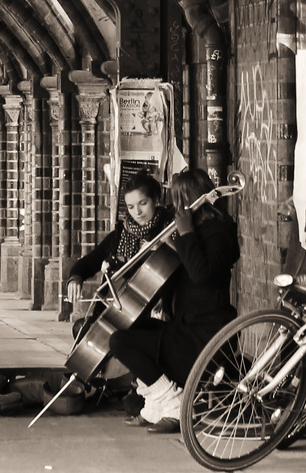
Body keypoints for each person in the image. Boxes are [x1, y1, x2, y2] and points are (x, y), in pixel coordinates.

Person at [106, 168, 240, 433]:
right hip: (184, 329)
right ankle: (158, 404)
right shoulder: (197, 233)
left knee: (120, 343)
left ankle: (174, 403)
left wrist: (185, 235)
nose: (176, 208)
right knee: (127, 329)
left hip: (202, 337)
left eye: (180, 201)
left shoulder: (218, 232)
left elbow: (201, 273)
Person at [64, 173, 175, 328]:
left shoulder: (169, 229)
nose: (137, 212)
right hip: (119, 311)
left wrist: (161, 250)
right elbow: (89, 261)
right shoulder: (121, 233)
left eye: (143, 203)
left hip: (153, 314)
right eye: (131, 207)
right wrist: (75, 278)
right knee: (81, 328)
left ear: (155, 199)